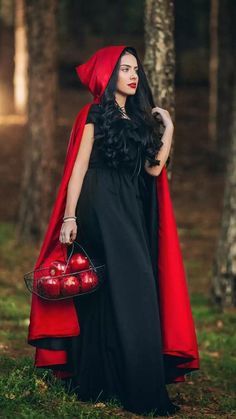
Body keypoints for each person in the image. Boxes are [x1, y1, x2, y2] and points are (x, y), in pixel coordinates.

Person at [27, 45, 200, 417]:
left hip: (129, 206)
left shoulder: (139, 119)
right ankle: (141, 388)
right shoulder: (93, 113)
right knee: (131, 282)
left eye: (136, 69)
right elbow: (78, 166)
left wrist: (167, 128)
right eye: (124, 69)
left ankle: (101, 380)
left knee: (111, 289)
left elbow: (154, 170)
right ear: (109, 75)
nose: (133, 75)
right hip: (99, 203)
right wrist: (69, 216)